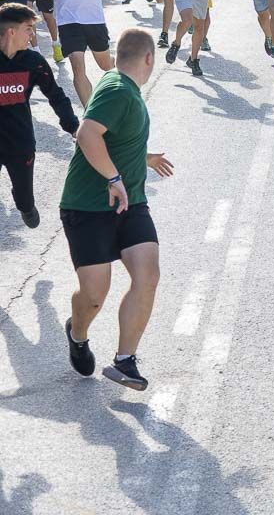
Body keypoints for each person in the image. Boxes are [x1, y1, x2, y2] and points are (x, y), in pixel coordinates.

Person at [61, 27, 174, 392]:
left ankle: (125, 360)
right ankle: (78, 334)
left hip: (130, 203)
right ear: (149, 59)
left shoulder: (125, 90)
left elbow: (114, 138)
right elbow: (87, 134)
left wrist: (144, 157)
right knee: (94, 295)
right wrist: (112, 177)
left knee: (148, 274)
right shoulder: (117, 90)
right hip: (88, 205)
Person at [0, 2, 78, 228]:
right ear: (11, 32)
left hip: (20, 142)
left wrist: (73, 126)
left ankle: (25, 205)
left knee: (26, 202)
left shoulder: (33, 63)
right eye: (28, 29)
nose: (33, 35)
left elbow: (56, 95)